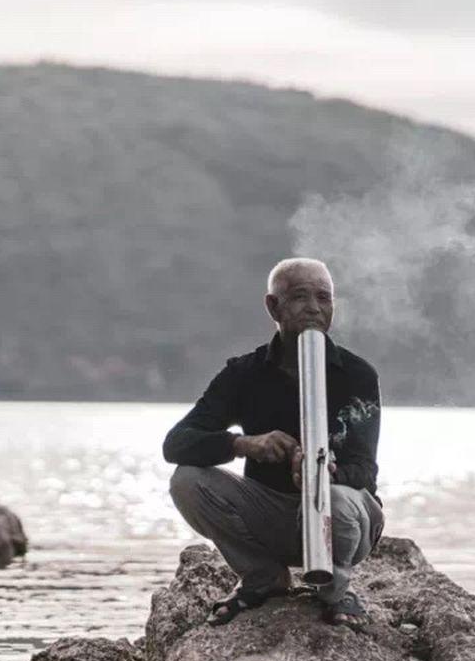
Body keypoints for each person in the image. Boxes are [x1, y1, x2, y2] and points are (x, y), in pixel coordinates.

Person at [163, 257, 384, 629]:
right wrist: (243, 445)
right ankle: (263, 577)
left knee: (341, 498)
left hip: (345, 515)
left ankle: (337, 591)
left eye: (324, 298)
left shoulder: (357, 374)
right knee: (186, 480)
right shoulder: (244, 373)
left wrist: (327, 472)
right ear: (273, 306)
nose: (314, 308)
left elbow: (366, 471)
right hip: (271, 513)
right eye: (299, 297)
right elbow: (176, 444)